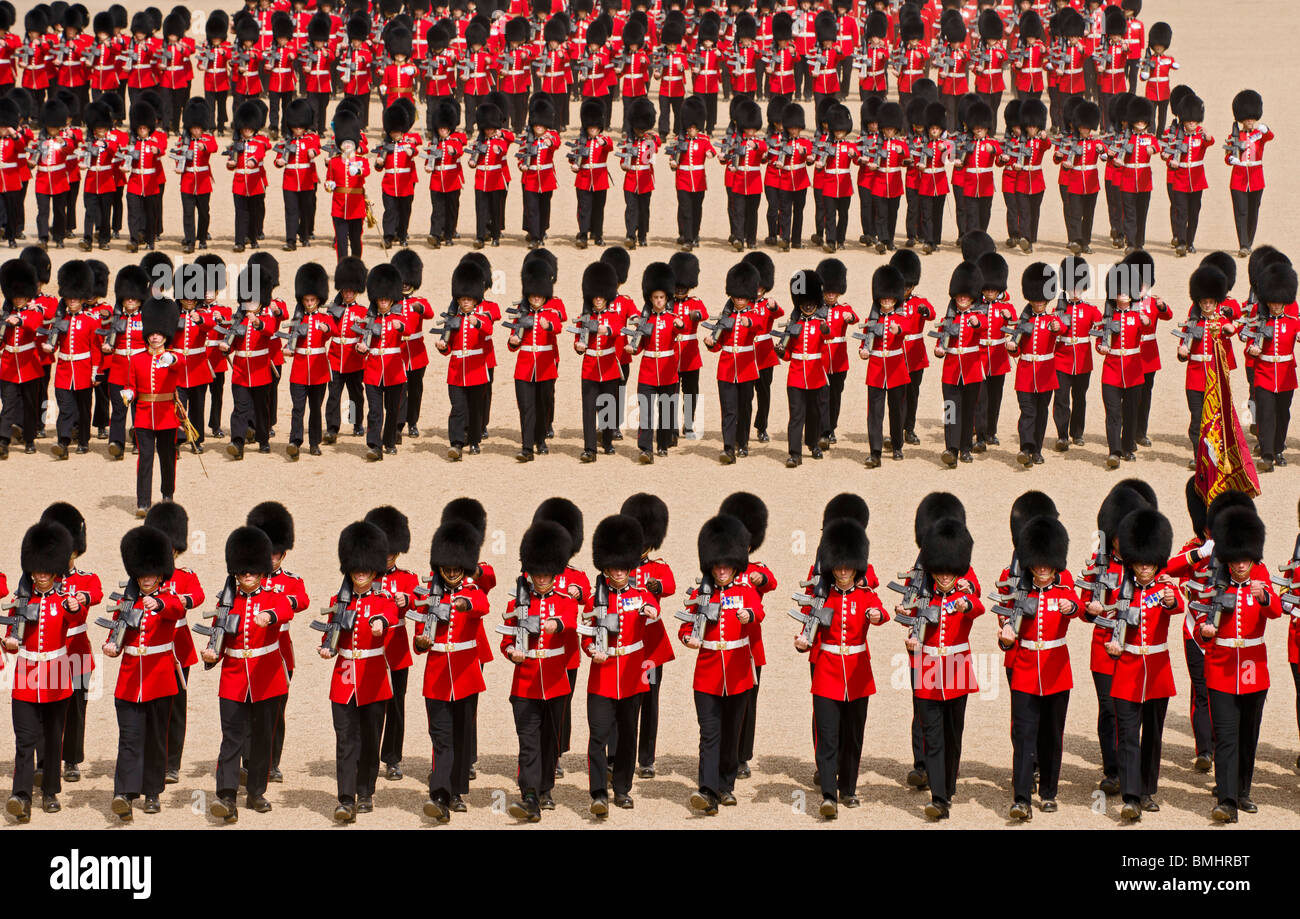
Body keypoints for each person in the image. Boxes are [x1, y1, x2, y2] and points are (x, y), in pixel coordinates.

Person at [798, 518, 886, 818]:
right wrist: (802, 642)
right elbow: (806, 627)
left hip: (858, 673)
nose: (843, 572)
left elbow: (880, 610)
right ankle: (828, 794)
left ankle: (848, 789)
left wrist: (876, 614)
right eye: (838, 567)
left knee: (853, 735)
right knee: (827, 735)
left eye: (848, 567)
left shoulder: (865, 595)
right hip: (826, 671)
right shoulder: (820, 597)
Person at [1194, 507, 1278, 823]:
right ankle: (1226, 800)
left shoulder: (1261, 576)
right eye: (1236, 559)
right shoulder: (1216, 582)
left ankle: (1242, 792)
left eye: (1246, 559)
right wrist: (1206, 632)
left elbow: (1276, 612)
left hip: (1254, 670)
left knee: (1248, 735)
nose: (1241, 565)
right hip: (1222, 669)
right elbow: (1201, 619)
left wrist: (1265, 597)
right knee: (1226, 736)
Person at [202, 524, 290, 823]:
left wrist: (270, 616)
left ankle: (256, 792)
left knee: (263, 739)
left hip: (267, 679)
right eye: (242, 572)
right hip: (234, 679)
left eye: (251, 571)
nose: (247, 576)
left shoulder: (274, 595)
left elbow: (286, 611)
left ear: (261, 571)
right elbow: (218, 636)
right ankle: (226, 796)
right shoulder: (227, 601)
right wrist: (211, 655)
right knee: (231, 739)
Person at [900, 515, 983, 820]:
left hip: (957, 669)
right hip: (927, 669)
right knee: (932, 735)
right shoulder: (924, 592)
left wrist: (966, 602)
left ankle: (947, 786)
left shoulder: (963, 591)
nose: (944, 576)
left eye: (949, 572)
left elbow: (978, 606)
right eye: (940, 571)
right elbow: (911, 622)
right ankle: (939, 798)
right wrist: (911, 639)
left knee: (953, 735)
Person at [102, 525, 186, 822]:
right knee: (129, 738)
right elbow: (116, 635)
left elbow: (177, 609)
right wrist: (110, 647)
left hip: (160, 680)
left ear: (160, 574)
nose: (147, 579)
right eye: (143, 575)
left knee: (155, 739)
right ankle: (124, 793)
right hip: (128, 681)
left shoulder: (168, 599)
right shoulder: (127, 602)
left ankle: (152, 792)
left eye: (152, 574)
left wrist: (159, 602)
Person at [681, 514, 763, 815]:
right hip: (707, 675)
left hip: (739, 674)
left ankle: (726, 785)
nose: (722, 570)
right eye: (717, 565)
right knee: (709, 733)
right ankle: (707, 790)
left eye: (726, 565)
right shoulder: (699, 593)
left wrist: (749, 617)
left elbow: (758, 612)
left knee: (731, 734)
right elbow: (685, 625)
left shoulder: (745, 590)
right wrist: (688, 638)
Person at [1102, 507, 1181, 822]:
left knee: (1153, 735)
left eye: (1150, 562)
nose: (1145, 566)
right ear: (1133, 562)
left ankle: (1147, 790)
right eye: (1140, 562)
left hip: (1157, 671)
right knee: (1129, 735)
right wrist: (1113, 646)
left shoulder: (1165, 588)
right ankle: (1131, 796)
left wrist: (1171, 600)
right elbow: (1109, 621)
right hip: (1129, 670)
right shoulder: (1123, 591)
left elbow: (1176, 606)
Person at [998, 515, 1078, 819]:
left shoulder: (1062, 588)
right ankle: (1021, 798)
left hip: (1056, 671)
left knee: (1052, 736)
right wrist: (1006, 640)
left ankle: (1048, 792)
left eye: (1047, 565)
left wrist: (1071, 608)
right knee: (1024, 734)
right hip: (1025, 670)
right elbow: (1007, 629)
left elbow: (1076, 606)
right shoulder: (1020, 591)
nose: (1043, 570)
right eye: (1038, 565)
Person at [321, 520, 398, 824]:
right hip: (343, 677)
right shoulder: (337, 601)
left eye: (365, 569)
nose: (360, 573)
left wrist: (380, 624)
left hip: (374, 679)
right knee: (345, 740)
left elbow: (387, 616)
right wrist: (327, 648)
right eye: (356, 569)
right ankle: (345, 798)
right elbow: (331, 634)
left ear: (373, 570)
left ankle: (365, 790)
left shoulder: (384, 599)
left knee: (369, 738)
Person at [413, 518, 489, 821]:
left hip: (466, 676)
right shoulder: (427, 597)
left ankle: (457, 792)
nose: (453, 571)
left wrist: (462, 606)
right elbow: (418, 644)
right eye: (448, 567)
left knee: (461, 735)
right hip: (436, 678)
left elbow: (481, 604)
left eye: (458, 566)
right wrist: (421, 641)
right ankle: (440, 795)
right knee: (441, 739)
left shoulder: (471, 591)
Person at [583, 514, 659, 816]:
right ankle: (598, 792)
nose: (618, 571)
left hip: (631, 676)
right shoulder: (593, 600)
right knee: (599, 735)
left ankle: (623, 789)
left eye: (622, 566)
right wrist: (592, 650)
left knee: (628, 736)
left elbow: (653, 608)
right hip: (602, 677)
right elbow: (586, 636)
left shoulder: (640, 594)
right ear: (604, 566)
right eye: (613, 566)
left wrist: (651, 610)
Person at [502, 520, 578, 822]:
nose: (543, 577)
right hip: (525, 683)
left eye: (547, 572)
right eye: (538, 572)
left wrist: (554, 624)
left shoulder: (564, 601)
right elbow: (506, 640)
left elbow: (569, 620)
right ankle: (530, 794)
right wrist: (512, 653)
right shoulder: (517, 602)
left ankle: (546, 787)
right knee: (529, 741)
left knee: (550, 740)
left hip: (556, 681)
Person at [4, 521, 77, 822]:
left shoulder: (65, 600)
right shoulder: (21, 601)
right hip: (25, 676)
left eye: (47, 570)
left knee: (51, 737)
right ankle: (21, 797)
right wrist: (8, 642)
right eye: (38, 570)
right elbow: (11, 638)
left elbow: (77, 621)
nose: (42, 575)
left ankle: (50, 791)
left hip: (57, 676)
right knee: (25, 739)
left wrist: (76, 605)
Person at [35, 503, 101, 785]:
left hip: (76, 653)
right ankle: (43, 760)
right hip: (47, 654)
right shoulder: (41, 580)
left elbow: (95, 593)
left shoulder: (86, 579)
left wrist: (82, 599)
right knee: (43, 709)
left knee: (75, 709)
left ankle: (71, 759)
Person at [141, 504, 203, 786]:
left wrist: (174, 601)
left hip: (178, 646)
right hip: (151, 647)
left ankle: (171, 763)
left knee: (176, 708)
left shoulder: (185, 576)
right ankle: (150, 756)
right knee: (150, 705)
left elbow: (197, 597)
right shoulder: (143, 578)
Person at [363, 506, 417, 781]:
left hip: (395, 648)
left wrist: (406, 601)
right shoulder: (361, 577)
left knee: (396, 706)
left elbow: (418, 600)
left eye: (390, 553)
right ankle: (367, 755)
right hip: (369, 650)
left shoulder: (407, 578)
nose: (386, 558)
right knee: (370, 707)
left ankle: (393, 758)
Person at [121, 296, 180, 515]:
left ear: (165, 335)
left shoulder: (172, 357)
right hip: (144, 417)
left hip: (166, 416)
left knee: (167, 458)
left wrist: (170, 359)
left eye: (158, 334)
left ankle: (167, 495)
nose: (155, 337)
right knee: (145, 459)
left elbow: (179, 364)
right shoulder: (137, 359)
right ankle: (143, 502)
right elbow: (132, 385)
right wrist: (129, 393)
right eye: (152, 334)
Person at [1008, 261, 1063, 466]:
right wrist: (1012, 348)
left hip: (1046, 373)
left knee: (1041, 413)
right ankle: (1025, 448)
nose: (1039, 302)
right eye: (1035, 298)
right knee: (1027, 411)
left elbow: (1060, 330)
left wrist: (1057, 327)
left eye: (1042, 299)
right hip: (1025, 372)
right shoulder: (1023, 321)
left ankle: (1037, 450)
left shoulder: (1053, 319)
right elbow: (1017, 345)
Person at [706, 262, 761, 464]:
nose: (739, 299)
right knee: (729, 409)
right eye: (737, 295)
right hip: (727, 368)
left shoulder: (753, 313)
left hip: (746, 368)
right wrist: (711, 343)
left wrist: (750, 322)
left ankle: (743, 442)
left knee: (745, 407)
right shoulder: (725, 315)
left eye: (743, 296)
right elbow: (718, 345)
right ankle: (728, 448)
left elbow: (761, 325)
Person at [934, 262, 986, 467]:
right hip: (951, 371)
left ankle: (965, 448)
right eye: (959, 296)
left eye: (966, 296)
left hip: (972, 370)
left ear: (972, 297)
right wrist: (939, 350)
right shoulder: (948, 319)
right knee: (950, 411)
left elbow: (984, 329)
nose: (962, 299)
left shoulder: (979, 316)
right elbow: (941, 341)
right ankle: (951, 448)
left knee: (968, 411)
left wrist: (976, 323)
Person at [356, 264, 408, 460]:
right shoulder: (369, 319)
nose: (383, 301)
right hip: (373, 370)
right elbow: (362, 341)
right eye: (380, 298)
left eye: (386, 298)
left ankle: (389, 441)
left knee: (392, 409)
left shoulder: (398, 316)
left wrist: (400, 325)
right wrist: (360, 349)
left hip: (394, 370)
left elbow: (408, 329)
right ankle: (374, 445)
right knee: (375, 410)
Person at [283, 264, 335, 458]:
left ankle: (314, 443)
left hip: (319, 370)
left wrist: (326, 329)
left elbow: (334, 332)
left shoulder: (325, 317)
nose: (310, 303)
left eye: (313, 300)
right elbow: (290, 342)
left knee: (315, 409)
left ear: (318, 300)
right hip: (299, 370)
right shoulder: (297, 320)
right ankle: (295, 441)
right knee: (298, 408)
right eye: (306, 300)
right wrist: (287, 350)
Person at [1225, 90, 1271, 258]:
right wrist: (1231, 160)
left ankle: (1249, 241)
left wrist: (1265, 129)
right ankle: (1243, 245)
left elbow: (1270, 136)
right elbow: (1228, 155)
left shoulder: (1260, 135)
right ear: (1242, 119)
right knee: (1241, 212)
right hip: (1238, 178)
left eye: (1252, 118)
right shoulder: (1234, 135)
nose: (1250, 121)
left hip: (1256, 177)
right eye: (1247, 119)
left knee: (1253, 211)